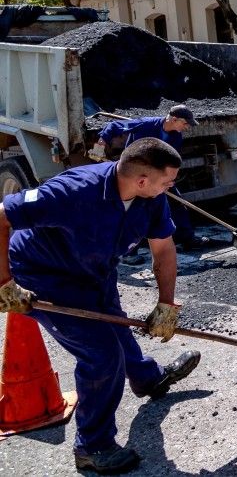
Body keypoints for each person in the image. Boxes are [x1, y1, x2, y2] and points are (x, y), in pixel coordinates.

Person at [0, 138, 201, 475]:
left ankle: (146, 379)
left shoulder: (150, 199)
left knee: (117, 326)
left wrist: (166, 304)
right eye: (168, 181)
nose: (171, 187)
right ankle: (92, 447)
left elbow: (163, 250)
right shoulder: (72, 191)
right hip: (44, 277)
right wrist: (4, 283)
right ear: (141, 180)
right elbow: (1, 217)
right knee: (101, 353)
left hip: (94, 271)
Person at [89, 105, 205, 251]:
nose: (187, 127)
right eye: (185, 123)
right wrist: (100, 143)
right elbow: (115, 125)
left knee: (176, 203)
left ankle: (187, 238)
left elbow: (171, 159)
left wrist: (167, 180)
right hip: (135, 176)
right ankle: (129, 253)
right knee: (133, 210)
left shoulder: (176, 136)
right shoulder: (146, 125)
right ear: (174, 119)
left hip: (157, 176)